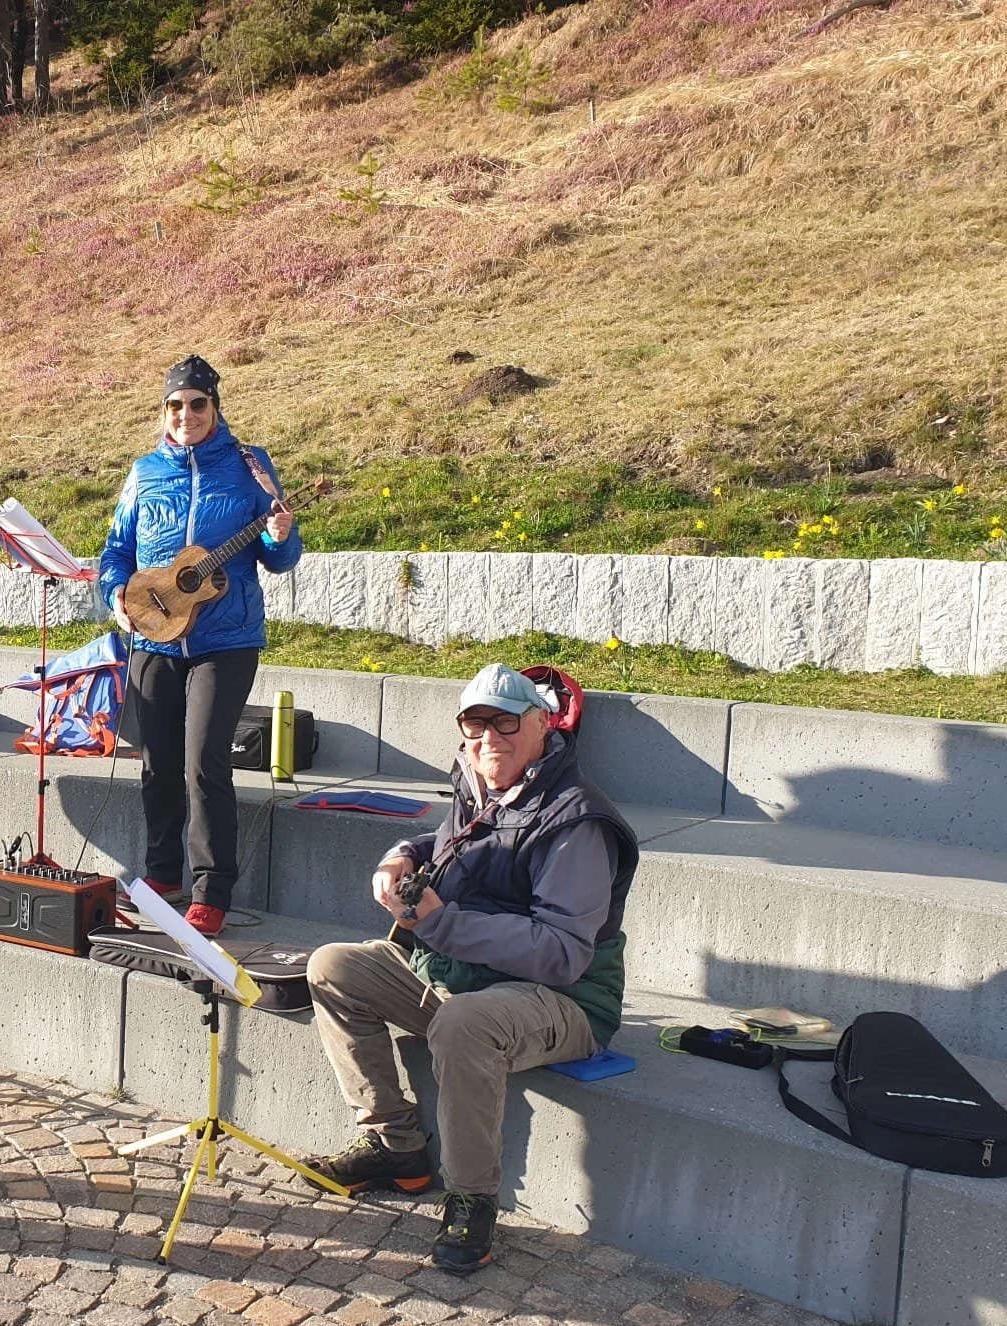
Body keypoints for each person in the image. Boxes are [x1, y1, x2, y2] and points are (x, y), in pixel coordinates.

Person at [302, 664, 639, 1274]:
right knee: (333, 967)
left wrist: (438, 922)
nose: (490, 738)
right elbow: (447, 842)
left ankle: (471, 1197)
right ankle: (396, 1147)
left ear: (543, 727)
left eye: (507, 722)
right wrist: (399, 856)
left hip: (561, 999)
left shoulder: (577, 821)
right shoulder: (479, 785)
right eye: (475, 723)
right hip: (461, 976)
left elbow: (562, 951)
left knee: (462, 1024)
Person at [96, 354, 301, 938]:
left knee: (204, 760)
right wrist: (115, 595)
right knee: (157, 760)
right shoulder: (144, 472)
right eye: (175, 405)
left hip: (226, 638)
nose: (186, 414)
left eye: (197, 404)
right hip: (153, 634)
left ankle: (212, 888)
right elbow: (116, 552)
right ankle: (162, 872)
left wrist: (281, 534)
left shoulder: (250, 467)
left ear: (215, 407)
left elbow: (279, 557)